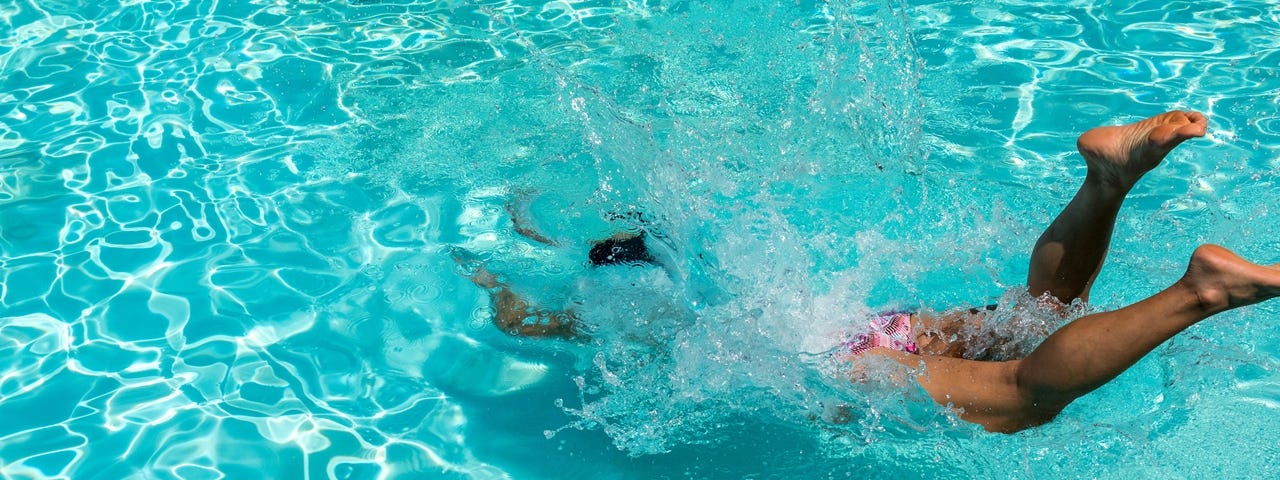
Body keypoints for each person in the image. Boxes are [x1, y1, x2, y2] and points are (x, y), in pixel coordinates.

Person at [462, 110, 1280, 433]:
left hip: (841, 365)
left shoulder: (612, 313)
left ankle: (1199, 293)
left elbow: (525, 325)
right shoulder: (696, 266)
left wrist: (500, 293)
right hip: (860, 324)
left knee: (1023, 395)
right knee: (1037, 313)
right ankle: (1107, 176)